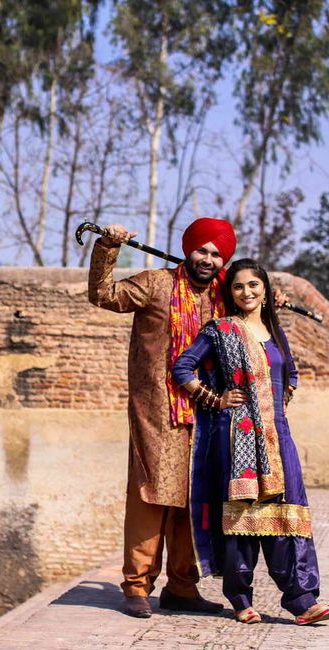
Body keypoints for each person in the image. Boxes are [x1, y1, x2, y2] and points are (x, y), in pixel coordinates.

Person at [171, 258, 329, 625]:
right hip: (237, 440)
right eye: (238, 286)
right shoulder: (219, 330)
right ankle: (240, 598)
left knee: (288, 518)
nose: (246, 292)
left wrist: (282, 396)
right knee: (243, 520)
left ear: (264, 290)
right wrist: (214, 399)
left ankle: (302, 601)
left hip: (278, 437)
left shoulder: (274, 331)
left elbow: (291, 372)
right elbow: (182, 367)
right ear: (230, 294)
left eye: (253, 285)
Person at [88, 217, 236, 619]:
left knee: (195, 500)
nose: (208, 259)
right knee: (151, 496)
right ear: (188, 248)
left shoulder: (225, 298)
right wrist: (108, 248)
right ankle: (137, 585)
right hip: (156, 412)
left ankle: (183, 588)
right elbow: (103, 295)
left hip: (209, 414)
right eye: (202, 250)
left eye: (217, 254)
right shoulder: (155, 283)